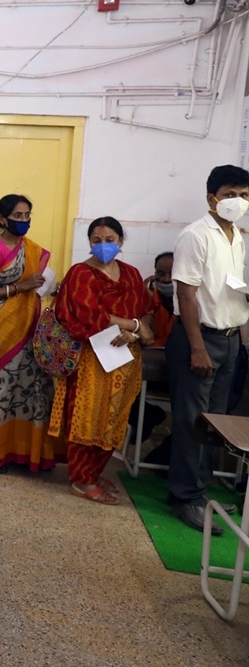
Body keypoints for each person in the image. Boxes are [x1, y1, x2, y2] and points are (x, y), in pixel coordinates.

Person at [166, 165, 249, 533]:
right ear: (211, 197)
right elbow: (186, 293)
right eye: (232, 194)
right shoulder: (196, 235)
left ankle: (201, 493)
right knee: (191, 420)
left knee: (213, 423)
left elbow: (224, 286)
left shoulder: (237, 236)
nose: (239, 202)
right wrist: (197, 349)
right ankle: (186, 498)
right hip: (198, 338)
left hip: (229, 338)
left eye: (245, 196)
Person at [52, 218, 153, 505]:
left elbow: (147, 311)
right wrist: (133, 326)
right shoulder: (80, 274)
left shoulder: (132, 275)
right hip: (93, 359)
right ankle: (81, 481)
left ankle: (94, 473)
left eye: (110, 239)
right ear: (89, 243)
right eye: (96, 240)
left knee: (114, 417)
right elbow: (88, 316)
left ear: (121, 242)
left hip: (127, 359)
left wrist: (135, 332)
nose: (103, 245)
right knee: (88, 418)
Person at [0, 194, 56, 473]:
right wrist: (22, 287)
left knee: (31, 391)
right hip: (1, 328)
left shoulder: (31, 249)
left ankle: (25, 453)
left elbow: (40, 285)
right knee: (0, 390)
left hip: (29, 329)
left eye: (27, 215)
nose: (23, 221)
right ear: (2, 218)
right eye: (17, 216)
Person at [147, 251, 176, 347]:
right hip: (152, 354)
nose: (167, 279)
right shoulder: (148, 300)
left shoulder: (191, 302)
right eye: (160, 273)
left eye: (173, 274)